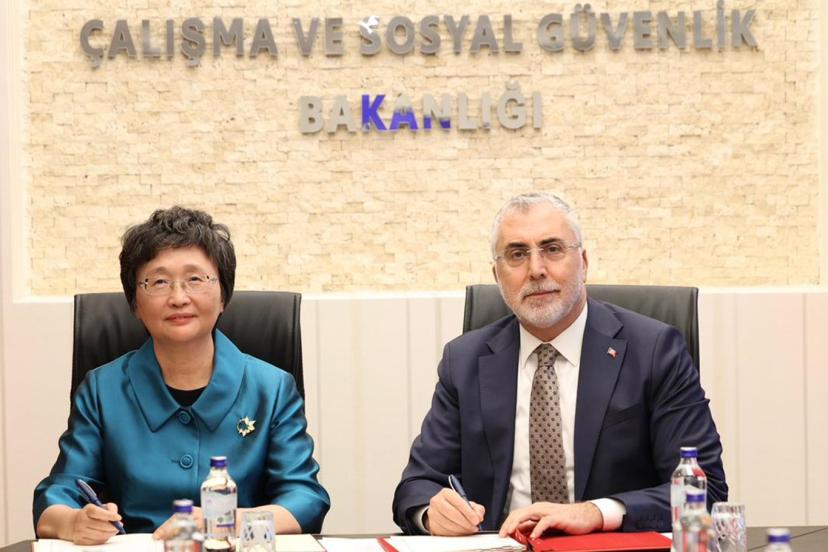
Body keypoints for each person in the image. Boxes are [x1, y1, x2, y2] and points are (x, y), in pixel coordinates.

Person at [392, 193, 727, 537]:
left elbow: (704, 491)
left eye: (552, 249)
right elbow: (417, 485)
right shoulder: (464, 361)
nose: (536, 270)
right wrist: (431, 514)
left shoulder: (654, 350)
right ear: (497, 275)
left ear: (584, 262)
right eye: (517, 254)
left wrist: (596, 512)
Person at [33, 206, 330, 544]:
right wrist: (74, 522)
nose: (178, 298)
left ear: (223, 296)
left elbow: (305, 501)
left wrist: (225, 522)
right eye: (159, 282)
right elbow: (56, 496)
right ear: (135, 303)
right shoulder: (103, 390)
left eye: (195, 279)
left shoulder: (271, 388)